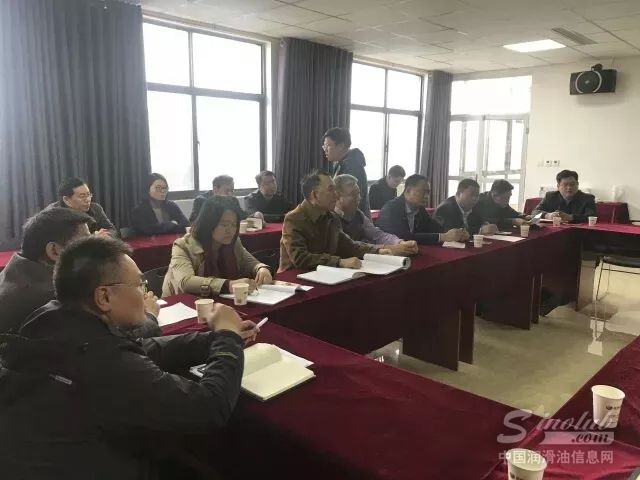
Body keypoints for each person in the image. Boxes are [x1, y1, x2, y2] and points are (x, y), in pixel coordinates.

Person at [0, 235, 259, 479]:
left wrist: (213, 340)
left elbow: (139, 347)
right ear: (104, 296)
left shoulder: (53, 318)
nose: (146, 293)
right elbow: (208, 408)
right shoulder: (100, 360)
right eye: (139, 284)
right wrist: (227, 336)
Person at [279, 170, 396, 272]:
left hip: (324, 275)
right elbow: (300, 258)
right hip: (293, 280)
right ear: (314, 195)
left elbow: (349, 246)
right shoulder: (294, 218)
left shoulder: (332, 217)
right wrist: (339, 262)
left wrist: (377, 251)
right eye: (331, 190)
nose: (336, 195)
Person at [0, 208, 92, 333]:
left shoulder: (15, 270)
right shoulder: (55, 297)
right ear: (54, 251)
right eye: (86, 243)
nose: (94, 248)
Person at [163, 196, 272, 297]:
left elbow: (249, 261)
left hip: (218, 300)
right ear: (209, 224)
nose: (230, 230)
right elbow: (186, 282)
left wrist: (261, 268)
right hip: (181, 304)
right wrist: (228, 285)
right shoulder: (183, 246)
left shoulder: (233, 242)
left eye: (234, 225)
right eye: (224, 225)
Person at [334, 174, 418, 256]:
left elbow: (377, 235)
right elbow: (350, 246)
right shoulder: (331, 218)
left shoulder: (358, 214)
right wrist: (388, 248)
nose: (359, 198)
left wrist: (400, 242)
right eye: (353, 194)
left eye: (358, 193)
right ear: (337, 196)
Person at [377, 174, 466, 245]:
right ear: (408, 191)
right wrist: (443, 237)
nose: (426, 197)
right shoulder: (390, 209)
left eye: (428, 193)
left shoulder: (420, 209)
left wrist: (458, 233)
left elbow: (436, 228)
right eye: (423, 192)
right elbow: (403, 237)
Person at [323, 127, 371, 217]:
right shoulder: (341, 163)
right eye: (324, 146)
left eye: (328, 145)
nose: (325, 149)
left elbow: (352, 200)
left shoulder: (352, 166)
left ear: (341, 146)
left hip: (353, 221)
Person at [47, 177, 117, 236]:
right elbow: (61, 242)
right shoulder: (53, 214)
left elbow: (112, 230)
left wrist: (106, 235)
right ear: (66, 199)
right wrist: (93, 237)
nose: (88, 200)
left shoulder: (95, 208)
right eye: (82, 196)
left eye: (88, 195)